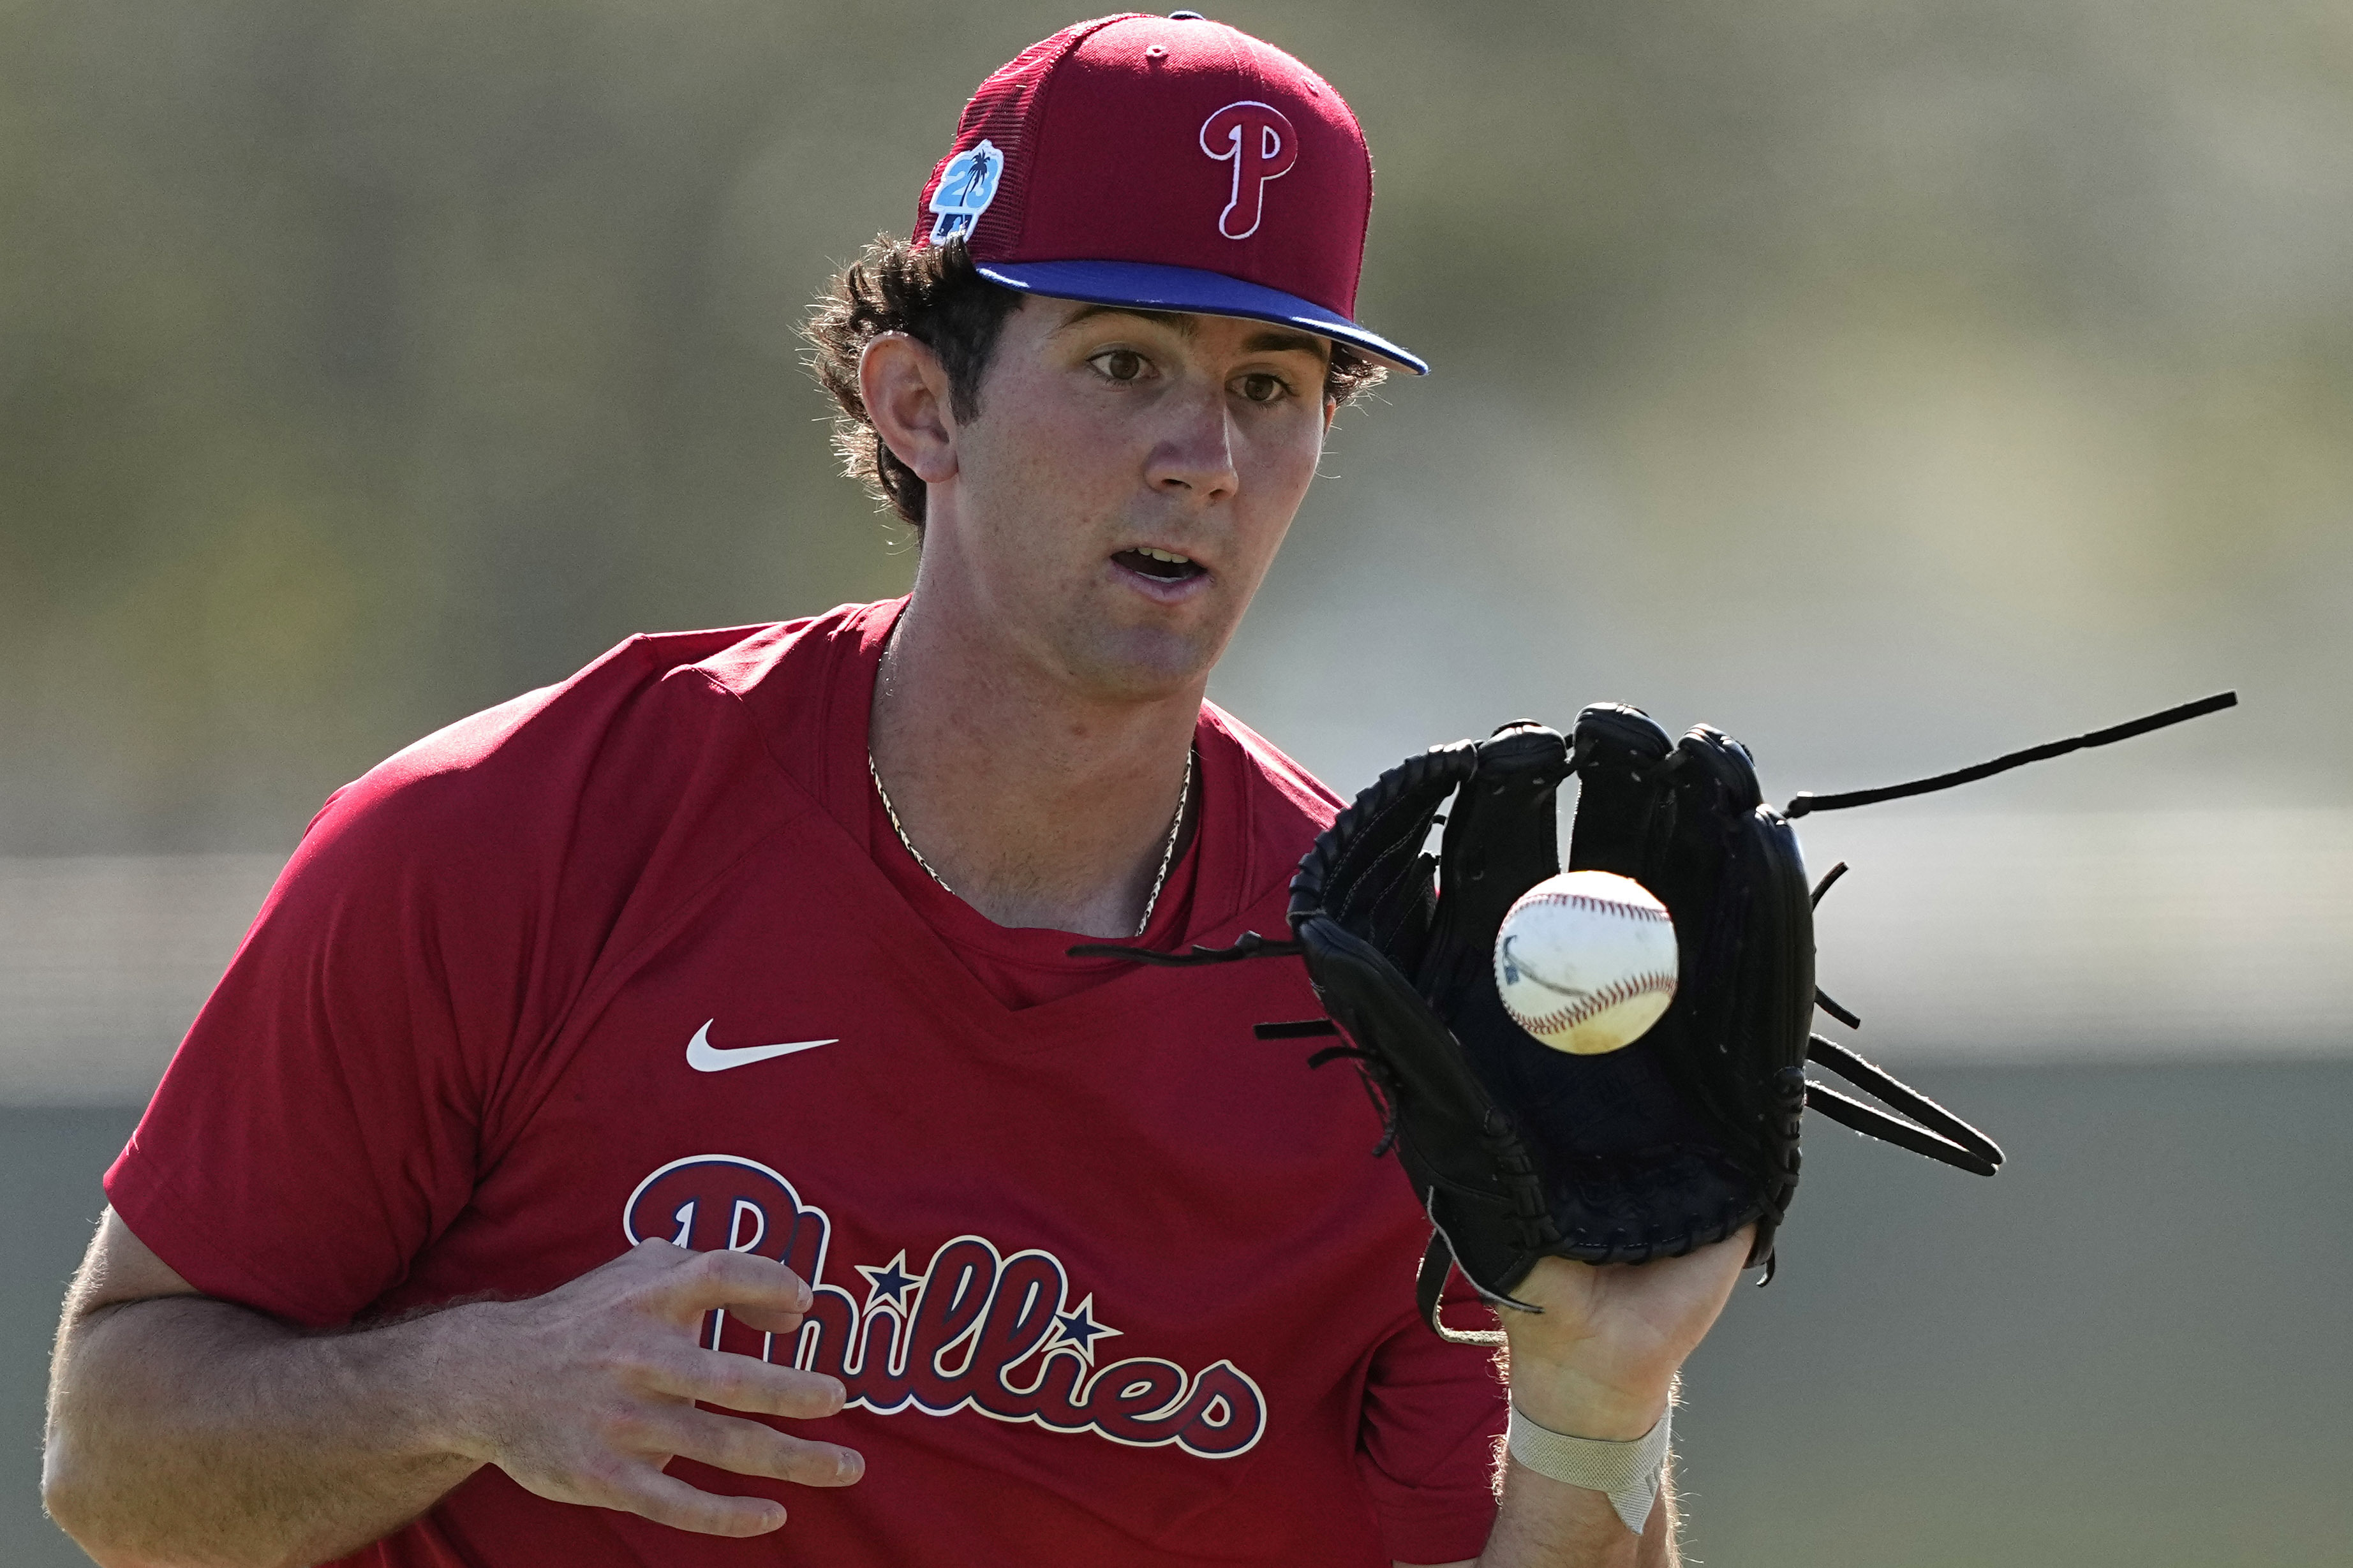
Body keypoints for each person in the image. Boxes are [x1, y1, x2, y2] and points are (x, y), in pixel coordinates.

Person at [42, 14, 1749, 1568]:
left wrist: (1598, 1401)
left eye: (1268, 388)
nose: (1203, 456)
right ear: (921, 403)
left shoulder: (1393, 1004)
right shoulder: (521, 838)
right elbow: (112, 1460)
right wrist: (474, 1382)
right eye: (1123, 363)